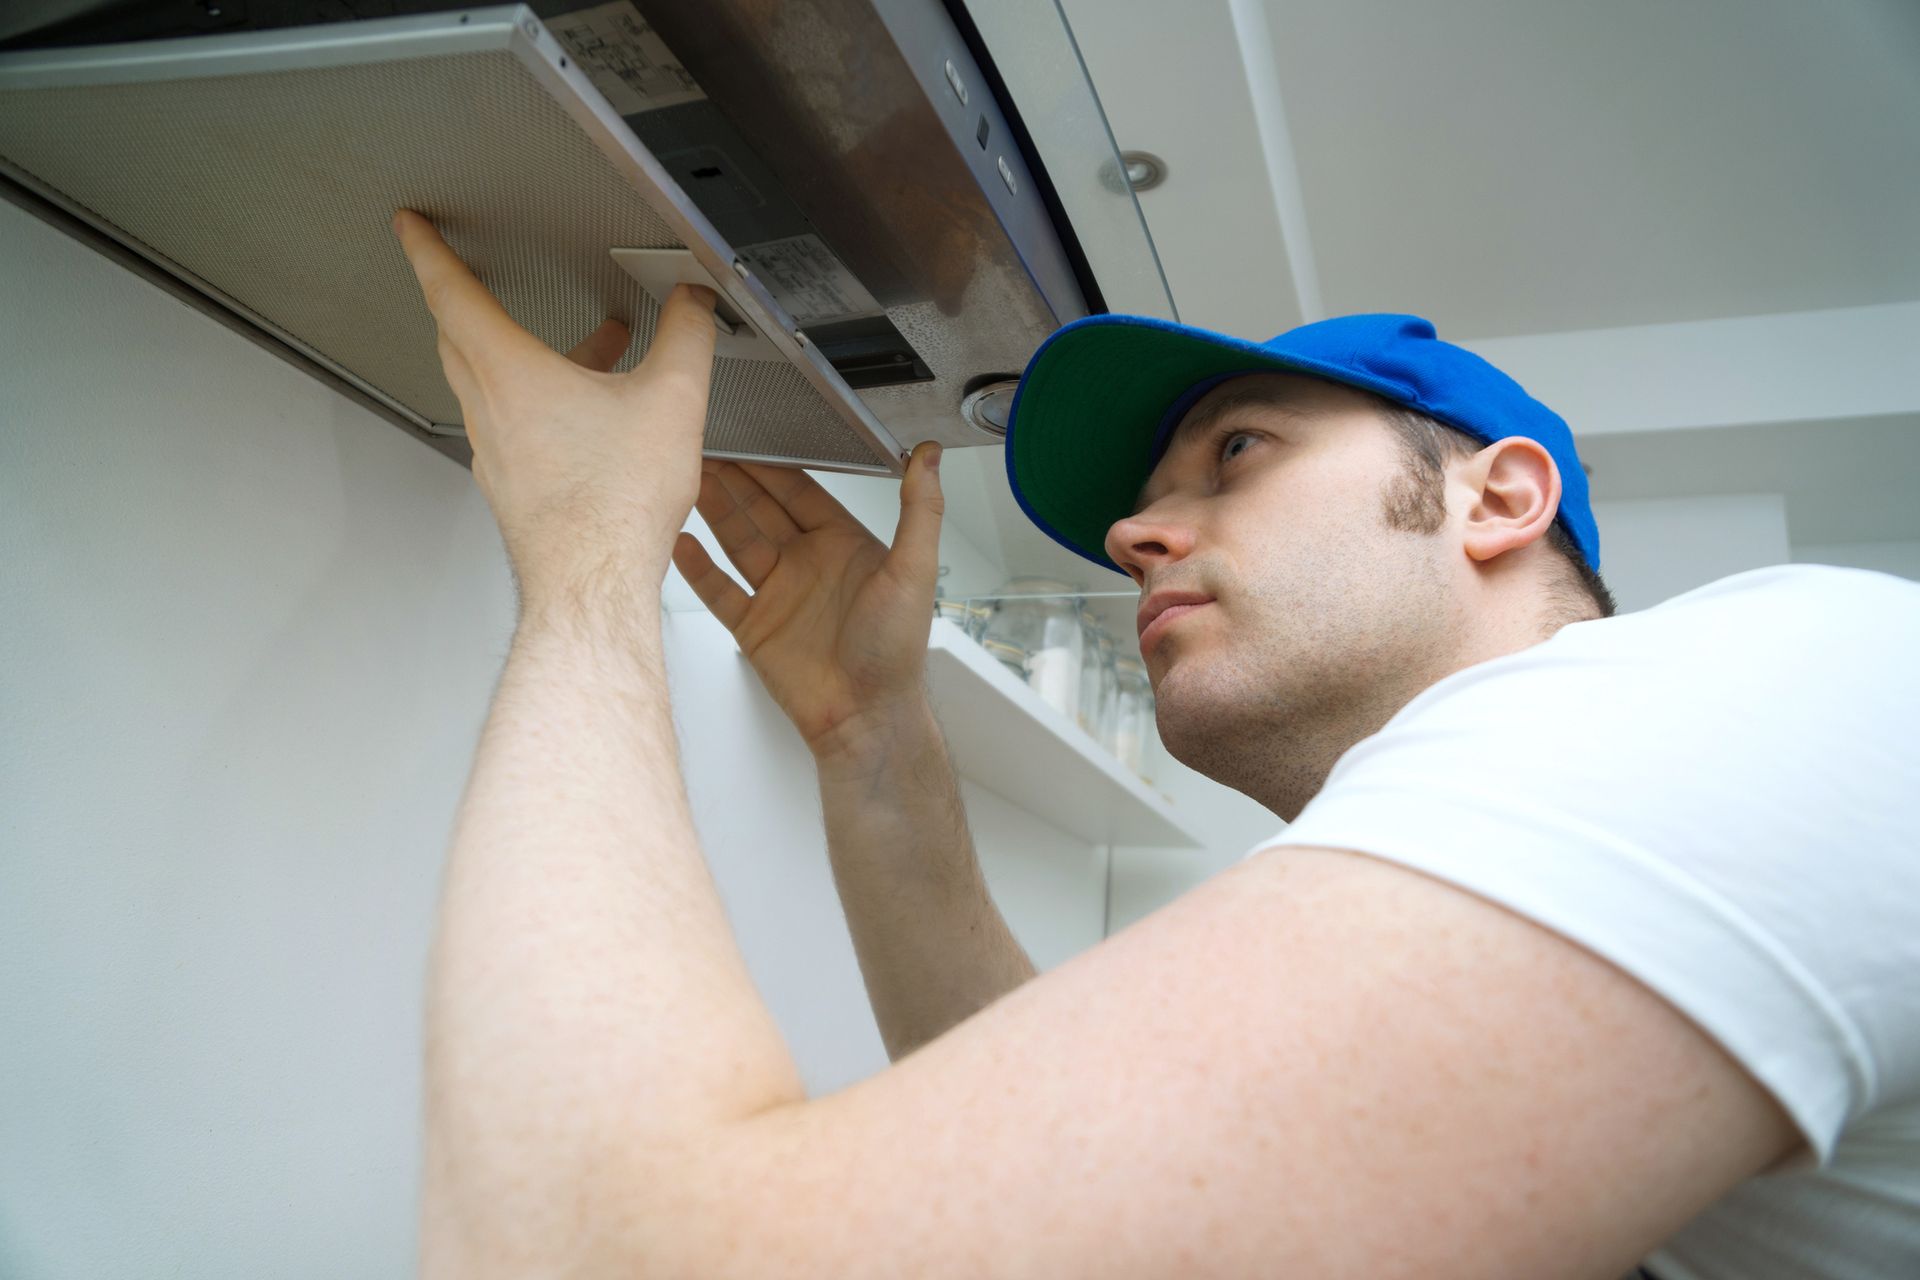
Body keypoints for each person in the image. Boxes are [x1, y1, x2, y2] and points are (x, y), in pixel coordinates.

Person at [391, 208, 1918, 1279]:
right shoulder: (1622, 788)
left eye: (1237, 448)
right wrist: (872, 736)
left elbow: (595, 1255)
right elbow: (1053, 1186)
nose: (1131, 530)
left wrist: (591, 559)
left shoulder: (1738, 690)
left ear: (1496, 501)